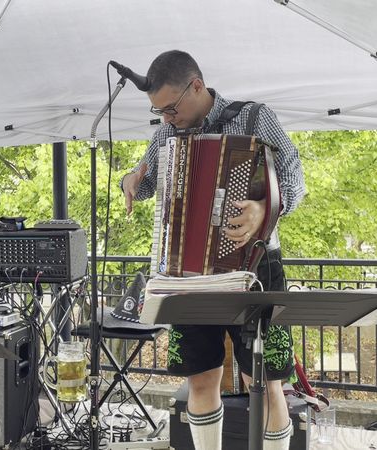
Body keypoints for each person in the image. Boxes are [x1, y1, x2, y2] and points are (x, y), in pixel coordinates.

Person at [121, 50, 306, 450]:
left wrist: (265, 208)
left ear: (197, 86)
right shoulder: (166, 134)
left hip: (255, 266)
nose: (166, 119)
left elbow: (294, 178)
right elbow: (146, 181)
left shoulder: (255, 117)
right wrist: (129, 180)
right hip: (189, 274)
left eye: (171, 108)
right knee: (201, 378)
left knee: (264, 381)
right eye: (159, 112)